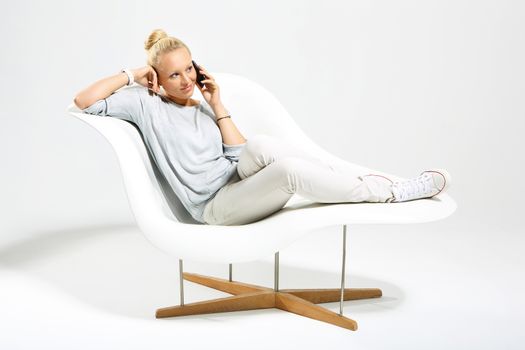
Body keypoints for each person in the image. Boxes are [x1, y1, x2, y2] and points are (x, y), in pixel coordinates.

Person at [73, 28, 452, 226]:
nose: (187, 79)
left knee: (263, 145)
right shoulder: (145, 103)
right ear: (156, 76)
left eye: (189, 68)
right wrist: (132, 74)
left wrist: (217, 104)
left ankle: (357, 179)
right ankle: (386, 193)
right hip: (213, 207)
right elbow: (83, 100)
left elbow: (239, 155)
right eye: (174, 74)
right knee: (288, 172)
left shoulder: (199, 104)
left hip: (236, 184)